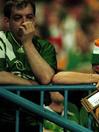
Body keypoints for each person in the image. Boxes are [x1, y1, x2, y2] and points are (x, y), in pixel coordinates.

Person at [0, 1, 56, 132]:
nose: (24, 23)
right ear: (7, 21)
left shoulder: (45, 46)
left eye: (29, 17)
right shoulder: (1, 39)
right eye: (18, 18)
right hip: (3, 118)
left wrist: (27, 42)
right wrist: (30, 84)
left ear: (35, 20)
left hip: (33, 119)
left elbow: (46, 78)